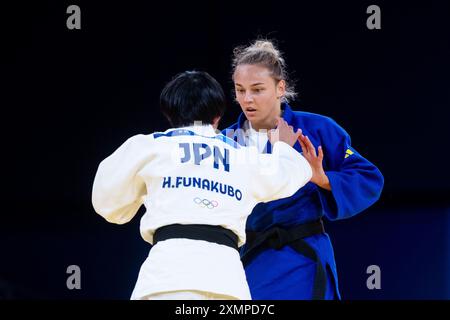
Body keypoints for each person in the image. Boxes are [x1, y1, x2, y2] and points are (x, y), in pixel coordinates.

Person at [91, 70, 315, 300]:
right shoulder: (241, 155)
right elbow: (287, 176)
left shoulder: (148, 146)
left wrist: (142, 195)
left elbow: (107, 203)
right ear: (218, 115)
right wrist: (285, 148)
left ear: (169, 112)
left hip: (165, 280)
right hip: (227, 283)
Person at [223, 39, 384, 299]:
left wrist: (322, 179)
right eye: (240, 90)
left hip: (303, 260)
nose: (247, 99)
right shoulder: (224, 141)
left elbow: (368, 178)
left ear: (280, 88)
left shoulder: (317, 129)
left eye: (257, 89)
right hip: (247, 262)